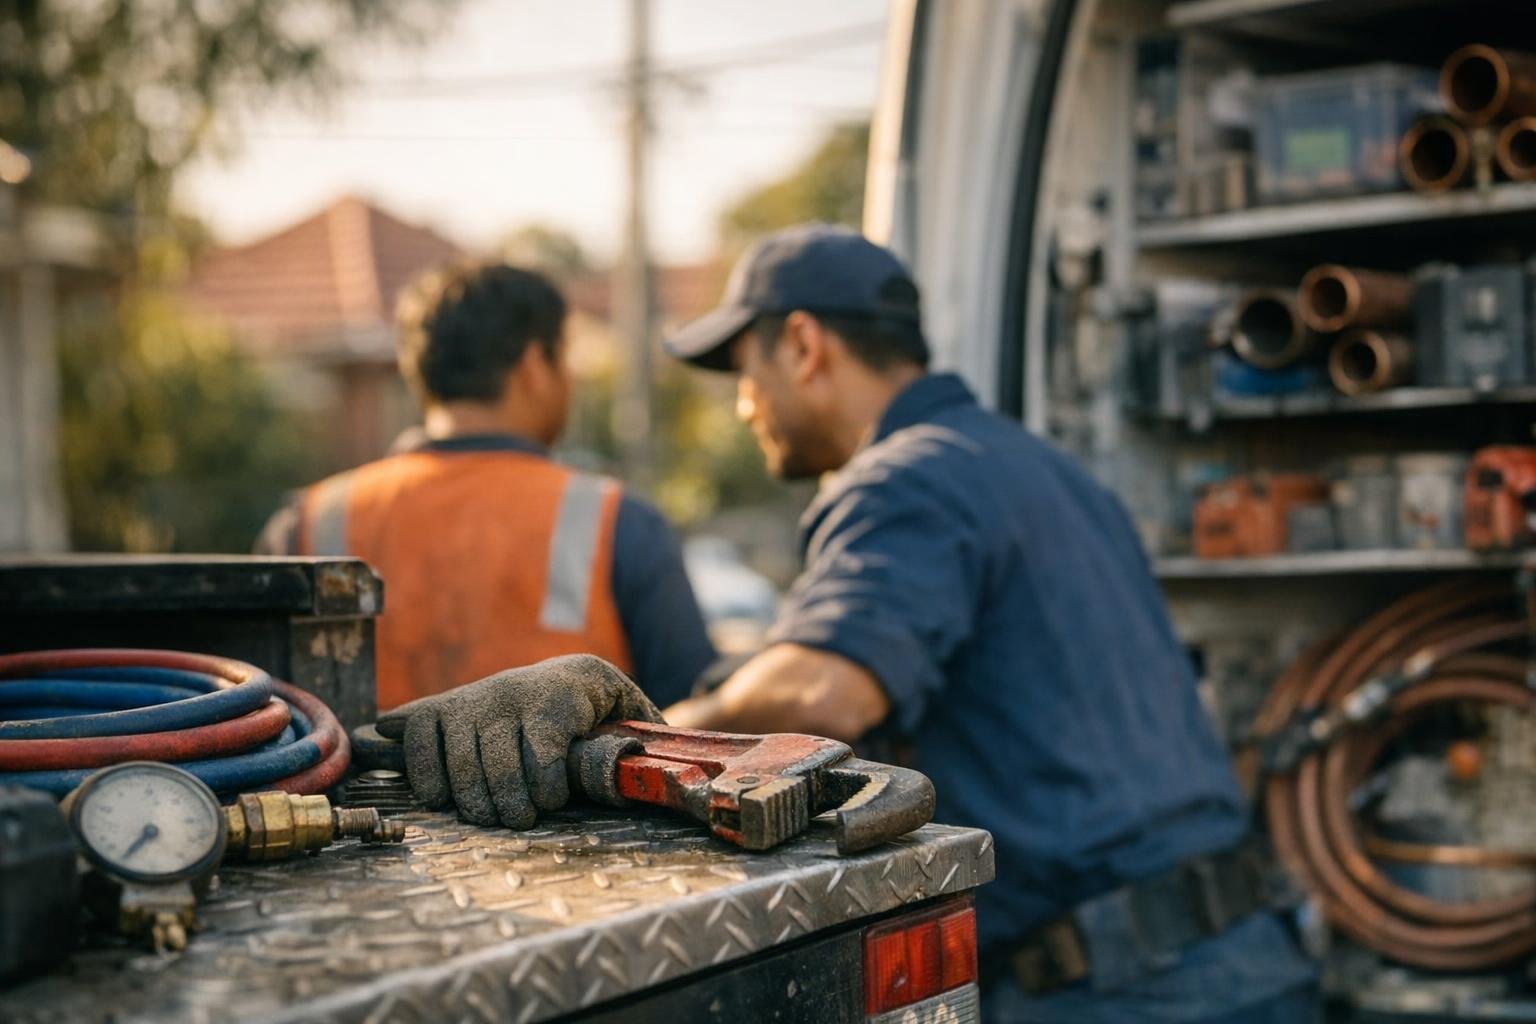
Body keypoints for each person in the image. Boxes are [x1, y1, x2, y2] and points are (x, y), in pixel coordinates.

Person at [377, 228, 1318, 1021]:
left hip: (1120, 992)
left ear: (803, 346)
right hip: (1242, 955)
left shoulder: (902, 477)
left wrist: (631, 728)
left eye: (742, 373)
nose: (744, 406)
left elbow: (825, 686)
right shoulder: (1034, 465)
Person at [255, 260, 714, 712]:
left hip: (342, 789)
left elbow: (248, 713)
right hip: (569, 791)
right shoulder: (618, 522)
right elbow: (693, 722)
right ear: (535, 364)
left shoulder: (309, 521)